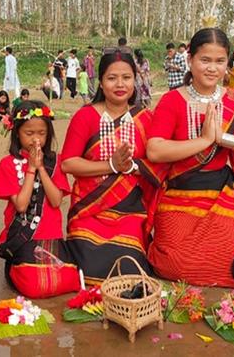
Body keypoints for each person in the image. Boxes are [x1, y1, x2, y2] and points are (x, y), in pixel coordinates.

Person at [146, 28, 234, 286]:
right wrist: (203, 141)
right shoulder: (172, 101)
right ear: (190, 60)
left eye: (220, 61)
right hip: (178, 196)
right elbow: (155, 149)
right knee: (172, 265)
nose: (212, 68)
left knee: (226, 267)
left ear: (228, 63)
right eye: (205, 60)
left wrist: (223, 139)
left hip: (219, 197)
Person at [61, 51, 161, 284]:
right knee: (88, 268)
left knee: (128, 269)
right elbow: (68, 163)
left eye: (126, 78)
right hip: (89, 208)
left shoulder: (145, 118)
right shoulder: (85, 117)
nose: (119, 84)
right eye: (111, 78)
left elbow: (159, 164)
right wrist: (111, 165)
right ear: (101, 82)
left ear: (135, 81)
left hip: (131, 209)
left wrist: (133, 166)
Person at [0, 100, 80, 298]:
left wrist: (42, 167)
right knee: (35, 286)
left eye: (41, 133)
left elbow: (55, 201)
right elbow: (22, 205)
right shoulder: (7, 164)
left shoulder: (55, 161)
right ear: (17, 132)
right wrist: (31, 168)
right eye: (29, 133)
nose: (36, 140)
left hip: (51, 235)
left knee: (67, 280)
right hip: (24, 237)